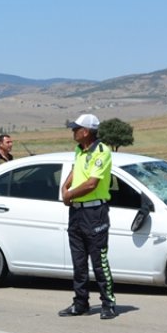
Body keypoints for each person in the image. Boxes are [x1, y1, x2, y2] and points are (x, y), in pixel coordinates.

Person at [58, 114, 117, 319]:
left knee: (99, 260)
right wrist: (65, 186)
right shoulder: (79, 150)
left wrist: (69, 195)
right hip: (77, 211)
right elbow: (76, 170)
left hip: (94, 212)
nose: (73, 132)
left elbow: (92, 183)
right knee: (78, 261)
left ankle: (108, 303)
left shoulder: (102, 152)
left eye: (76, 129)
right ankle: (80, 302)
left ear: (86, 131)